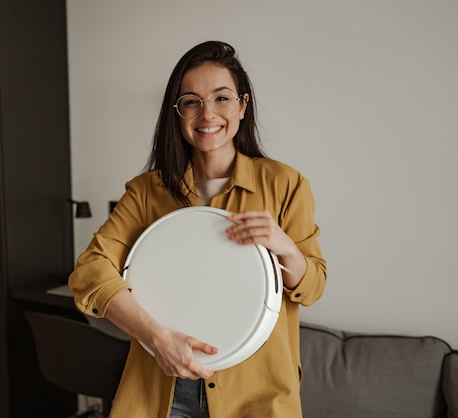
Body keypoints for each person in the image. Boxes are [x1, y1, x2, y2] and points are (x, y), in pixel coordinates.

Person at [68, 40, 327, 418]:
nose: (207, 113)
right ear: (177, 113)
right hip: (163, 391)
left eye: (221, 98)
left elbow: (314, 286)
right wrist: (158, 340)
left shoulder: (285, 184)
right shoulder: (147, 191)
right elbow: (90, 270)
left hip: (257, 396)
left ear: (242, 104)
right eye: (191, 101)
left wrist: (284, 246)